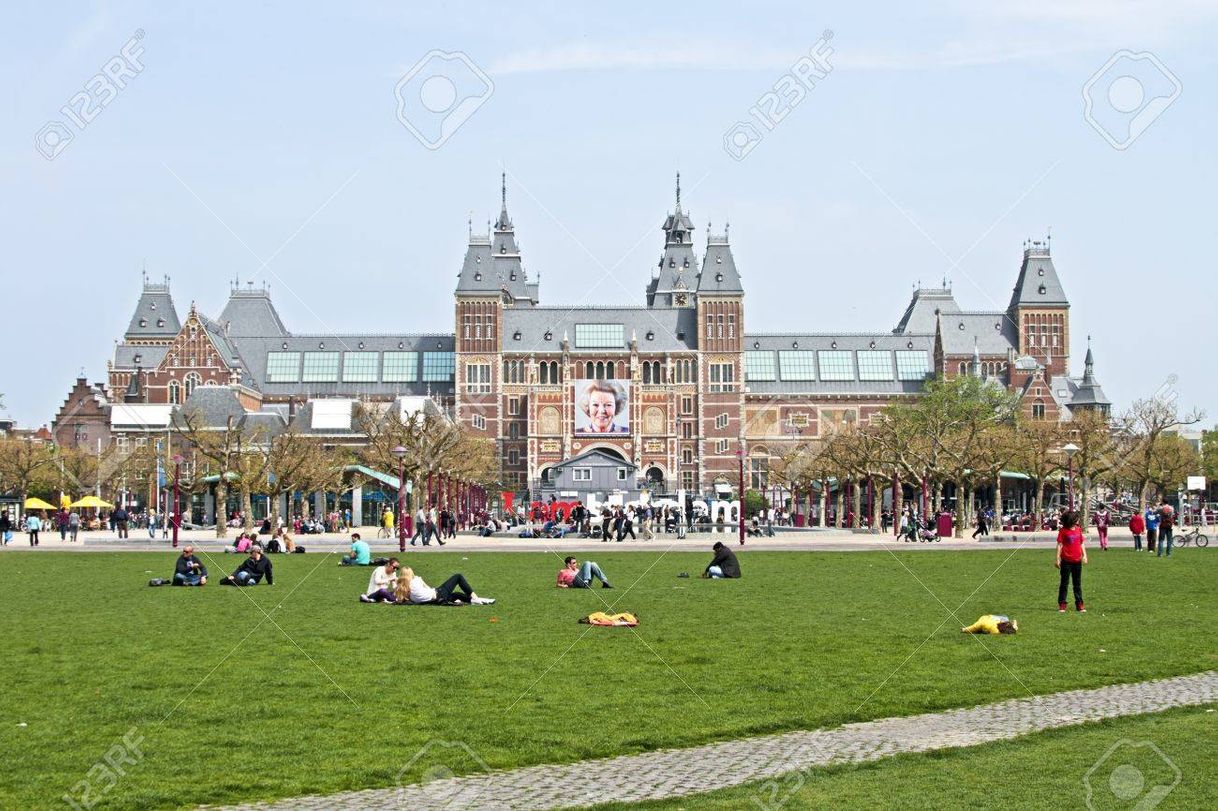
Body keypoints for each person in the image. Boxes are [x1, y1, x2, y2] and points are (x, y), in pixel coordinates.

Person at [396, 567, 494, 605]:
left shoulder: (402, 588)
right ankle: (475, 597)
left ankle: (474, 601)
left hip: (435, 600)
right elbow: (429, 588)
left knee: (456, 595)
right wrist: (421, 580)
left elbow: (399, 599)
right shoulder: (416, 579)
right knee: (458, 576)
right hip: (438, 594)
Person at [1055, 509, 1087, 613]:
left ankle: (1079, 604)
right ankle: (1062, 604)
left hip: (1077, 561)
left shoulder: (1078, 529)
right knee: (1064, 583)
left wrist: (1084, 556)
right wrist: (1057, 559)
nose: (1078, 520)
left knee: (1077, 583)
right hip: (1066, 561)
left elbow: (1081, 543)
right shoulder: (1063, 531)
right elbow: (1059, 545)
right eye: (1076, 518)